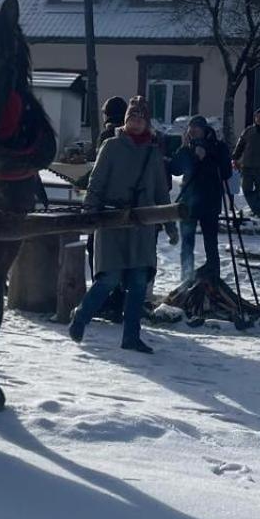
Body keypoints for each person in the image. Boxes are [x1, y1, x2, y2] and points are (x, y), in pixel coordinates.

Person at [69, 96, 170, 353]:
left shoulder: (153, 153)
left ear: (146, 123)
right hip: (113, 220)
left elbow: (161, 190)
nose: (135, 123)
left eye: (140, 119)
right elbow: (97, 182)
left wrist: (169, 223)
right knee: (109, 278)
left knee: (137, 283)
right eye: (131, 118)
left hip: (142, 224)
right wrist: (90, 212)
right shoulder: (111, 146)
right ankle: (81, 316)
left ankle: (131, 336)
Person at [170, 114, 232, 282]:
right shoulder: (187, 147)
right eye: (191, 127)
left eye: (197, 127)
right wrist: (186, 150)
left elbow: (226, 172)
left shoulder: (218, 147)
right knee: (187, 245)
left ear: (204, 130)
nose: (193, 130)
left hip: (210, 201)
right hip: (188, 202)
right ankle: (186, 280)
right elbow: (175, 169)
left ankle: (213, 279)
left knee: (211, 244)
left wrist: (208, 156)